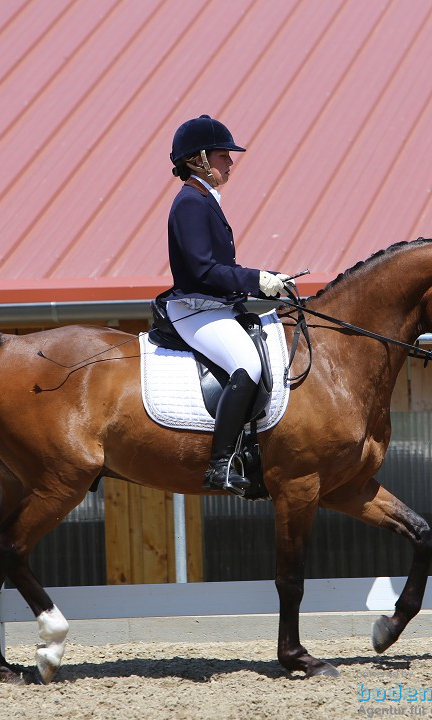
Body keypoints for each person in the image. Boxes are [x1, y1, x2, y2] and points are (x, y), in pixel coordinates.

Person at [162, 115, 291, 496]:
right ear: (198, 159)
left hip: (217, 307)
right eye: (223, 156)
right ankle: (219, 466)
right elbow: (204, 269)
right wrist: (256, 279)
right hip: (195, 310)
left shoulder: (204, 200)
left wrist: (262, 286)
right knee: (247, 365)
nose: (230, 163)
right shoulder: (190, 203)